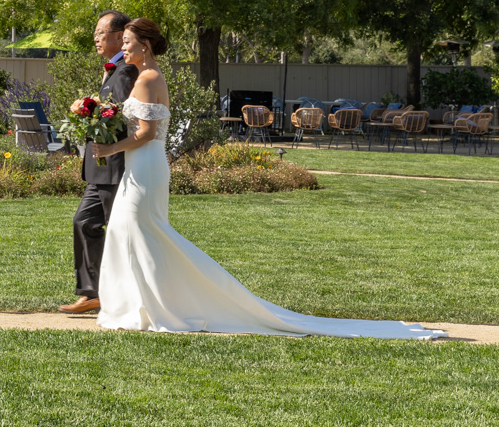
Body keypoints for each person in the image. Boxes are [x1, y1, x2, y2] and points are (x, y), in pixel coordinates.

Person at [88, 17, 444, 339]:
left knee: (143, 231)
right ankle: (142, 305)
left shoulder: (149, 78)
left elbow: (147, 132)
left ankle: (162, 306)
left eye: (127, 42)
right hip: (141, 165)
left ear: (144, 45)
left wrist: (109, 147)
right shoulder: (145, 76)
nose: (123, 47)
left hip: (146, 164)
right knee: (131, 230)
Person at [59, 10, 138, 314]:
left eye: (100, 33)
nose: (95, 38)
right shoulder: (113, 69)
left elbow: (121, 116)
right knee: (84, 222)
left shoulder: (125, 72)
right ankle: (91, 293)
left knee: (120, 232)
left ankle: (124, 294)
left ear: (119, 36)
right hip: (100, 168)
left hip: (115, 167)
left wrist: (88, 113)